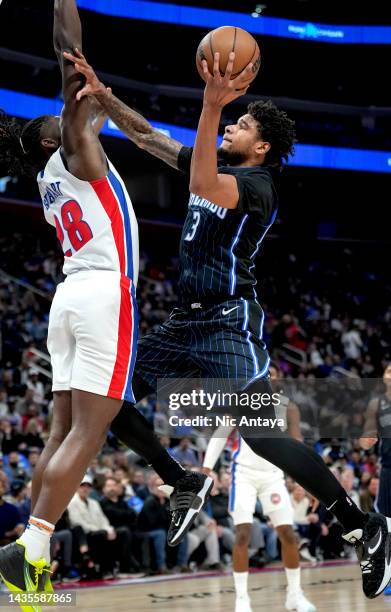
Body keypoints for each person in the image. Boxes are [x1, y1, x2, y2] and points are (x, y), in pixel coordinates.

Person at [62, 46, 391, 598]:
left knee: (263, 436)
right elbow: (147, 136)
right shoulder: (208, 162)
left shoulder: (259, 187)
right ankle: (181, 480)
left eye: (241, 124)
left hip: (226, 323)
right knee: (104, 404)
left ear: (260, 147)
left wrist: (212, 103)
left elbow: (201, 185)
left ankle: (360, 523)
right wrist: (104, 96)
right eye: (233, 118)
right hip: (182, 324)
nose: (232, 126)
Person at [0, 0, 212, 598]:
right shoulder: (73, 149)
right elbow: (68, 55)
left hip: (68, 298)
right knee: (91, 433)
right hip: (102, 294)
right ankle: (32, 544)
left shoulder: (53, 175)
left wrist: (97, 96)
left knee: (60, 431)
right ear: (55, 137)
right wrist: (65, 7)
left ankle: (32, 564)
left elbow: (102, 105)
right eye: (67, 113)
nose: (77, 108)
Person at [203, 397, 315, 611]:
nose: (268, 377)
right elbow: (220, 433)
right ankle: (242, 599)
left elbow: (297, 445)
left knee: (289, 535)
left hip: (273, 475)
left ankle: (294, 595)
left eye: (272, 373)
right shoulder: (243, 402)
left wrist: (309, 480)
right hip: (243, 474)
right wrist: (207, 468)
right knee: (243, 533)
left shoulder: (288, 406)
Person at [360, 360, 391, 595]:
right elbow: (366, 435)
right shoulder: (376, 404)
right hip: (388, 470)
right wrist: (366, 440)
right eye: (388, 370)